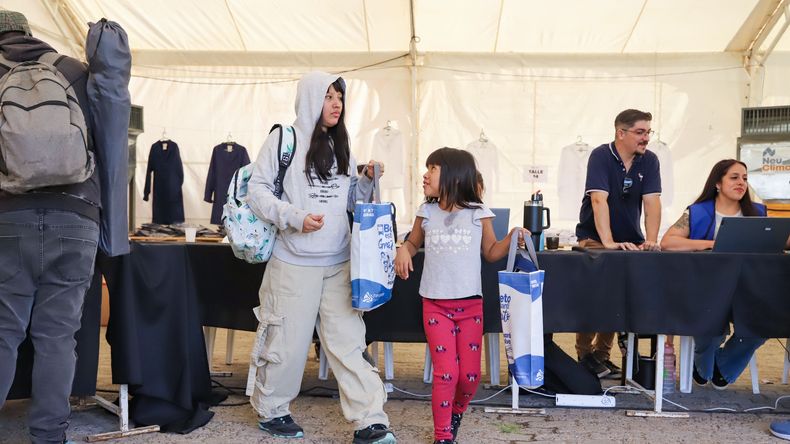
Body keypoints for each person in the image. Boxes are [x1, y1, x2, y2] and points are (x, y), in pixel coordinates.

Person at [246, 71, 395, 444]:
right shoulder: (285, 138)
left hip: (338, 262)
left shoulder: (342, 144)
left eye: (340, 97)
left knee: (349, 343)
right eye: (328, 96)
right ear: (311, 98)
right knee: (286, 343)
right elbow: (257, 191)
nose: (336, 104)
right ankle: (273, 411)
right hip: (293, 261)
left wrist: (365, 180)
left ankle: (370, 419)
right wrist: (294, 217)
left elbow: (349, 202)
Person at [0, 10, 101, 444]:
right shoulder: (74, 70)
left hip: (9, 217)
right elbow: (106, 138)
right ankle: (49, 436)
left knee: (3, 332)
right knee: (58, 337)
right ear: (28, 33)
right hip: (76, 217)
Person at [394, 147, 528, 444]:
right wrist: (403, 248)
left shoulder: (479, 213)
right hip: (435, 305)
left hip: (470, 306)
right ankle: (443, 436)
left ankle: (456, 412)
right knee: (446, 374)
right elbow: (413, 243)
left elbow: (491, 253)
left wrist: (513, 236)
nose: (425, 175)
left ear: (454, 176)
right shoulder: (425, 211)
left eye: (433, 169)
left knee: (469, 378)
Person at [660, 159, 769, 389]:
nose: (741, 182)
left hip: (747, 291)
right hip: (706, 290)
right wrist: (712, 243)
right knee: (709, 327)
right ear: (717, 183)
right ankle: (702, 369)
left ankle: (723, 368)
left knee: (762, 326)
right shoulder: (697, 212)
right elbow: (668, 242)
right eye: (734, 177)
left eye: (745, 178)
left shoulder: (758, 212)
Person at [574, 109, 662, 379]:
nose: (646, 138)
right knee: (595, 294)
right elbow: (599, 200)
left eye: (649, 132)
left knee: (617, 295)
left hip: (628, 242)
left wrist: (650, 240)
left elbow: (652, 202)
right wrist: (608, 242)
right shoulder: (601, 155)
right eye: (640, 132)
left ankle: (602, 354)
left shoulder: (650, 161)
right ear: (620, 133)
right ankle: (585, 354)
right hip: (594, 239)